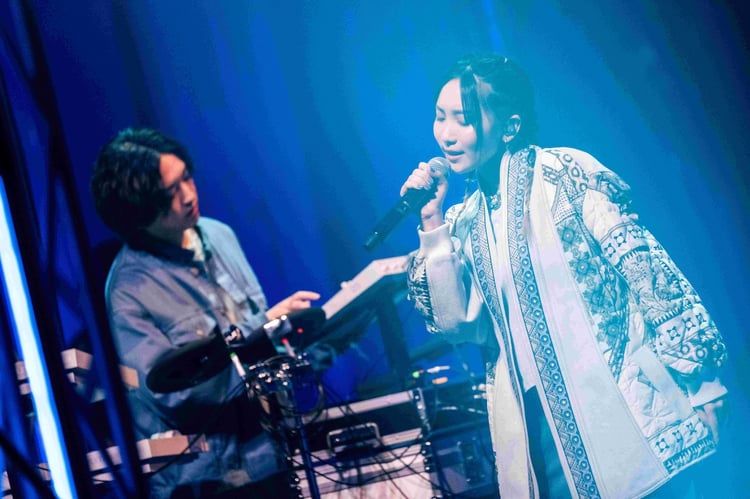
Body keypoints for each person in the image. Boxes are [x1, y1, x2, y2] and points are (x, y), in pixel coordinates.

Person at [401, 54, 728, 498]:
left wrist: (703, 381)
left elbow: (645, 271)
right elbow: (455, 325)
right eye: (440, 117)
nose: (447, 134)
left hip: (626, 407)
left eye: (464, 119)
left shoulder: (564, 174)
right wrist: (431, 219)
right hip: (538, 432)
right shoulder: (464, 221)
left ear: (510, 127)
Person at [90, 127, 320, 498]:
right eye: (170, 192)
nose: (188, 196)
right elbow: (177, 398)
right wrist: (260, 330)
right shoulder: (127, 292)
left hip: (270, 456)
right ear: (138, 213)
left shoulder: (219, 234)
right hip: (205, 482)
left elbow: (260, 325)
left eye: (187, 178)